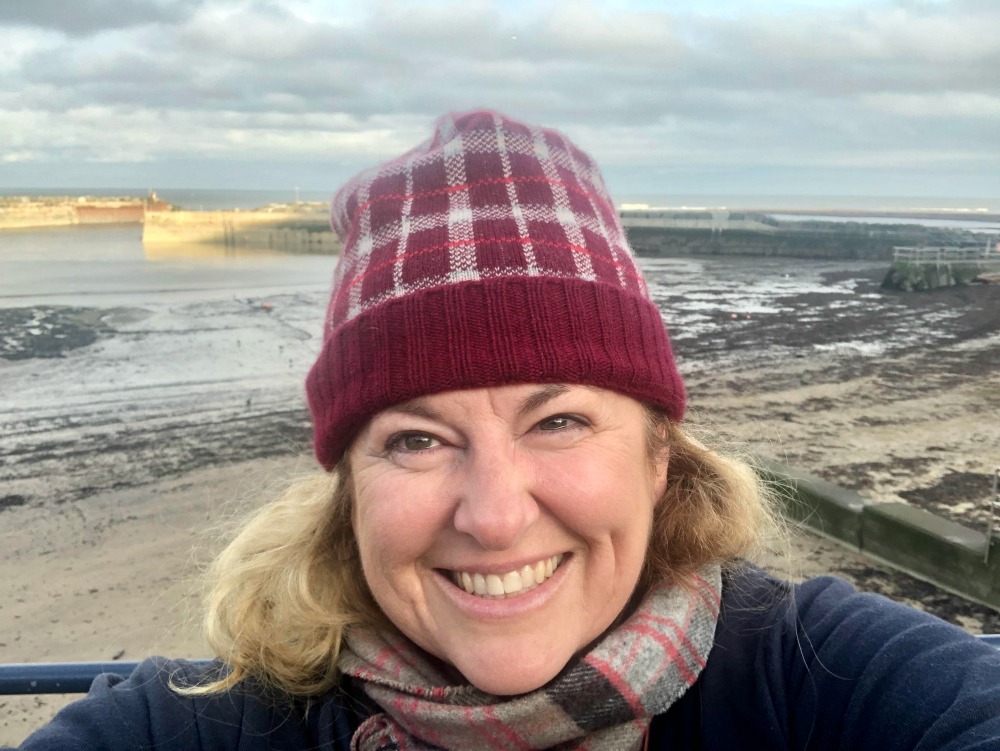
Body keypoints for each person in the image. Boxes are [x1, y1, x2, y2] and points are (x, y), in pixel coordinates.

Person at [14, 110, 1000, 750]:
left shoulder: (823, 678)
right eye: (415, 438)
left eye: (560, 420)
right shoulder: (206, 724)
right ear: (347, 481)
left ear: (659, 453)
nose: (493, 517)